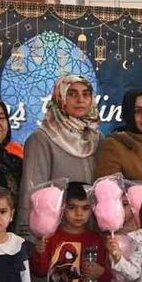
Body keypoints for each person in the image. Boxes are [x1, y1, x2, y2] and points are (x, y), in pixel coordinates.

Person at [18, 76, 100, 238]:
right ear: (60, 97)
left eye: (86, 94)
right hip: (52, 238)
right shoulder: (42, 138)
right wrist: (29, 240)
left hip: (90, 235)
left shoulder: (96, 137)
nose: (80, 100)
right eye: (72, 94)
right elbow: (31, 193)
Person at [30, 182, 111, 282]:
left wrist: (101, 272)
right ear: (62, 208)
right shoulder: (50, 237)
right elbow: (39, 271)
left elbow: (106, 279)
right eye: (72, 207)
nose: (79, 214)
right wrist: (39, 252)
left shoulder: (96, 239)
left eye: (85, 208)